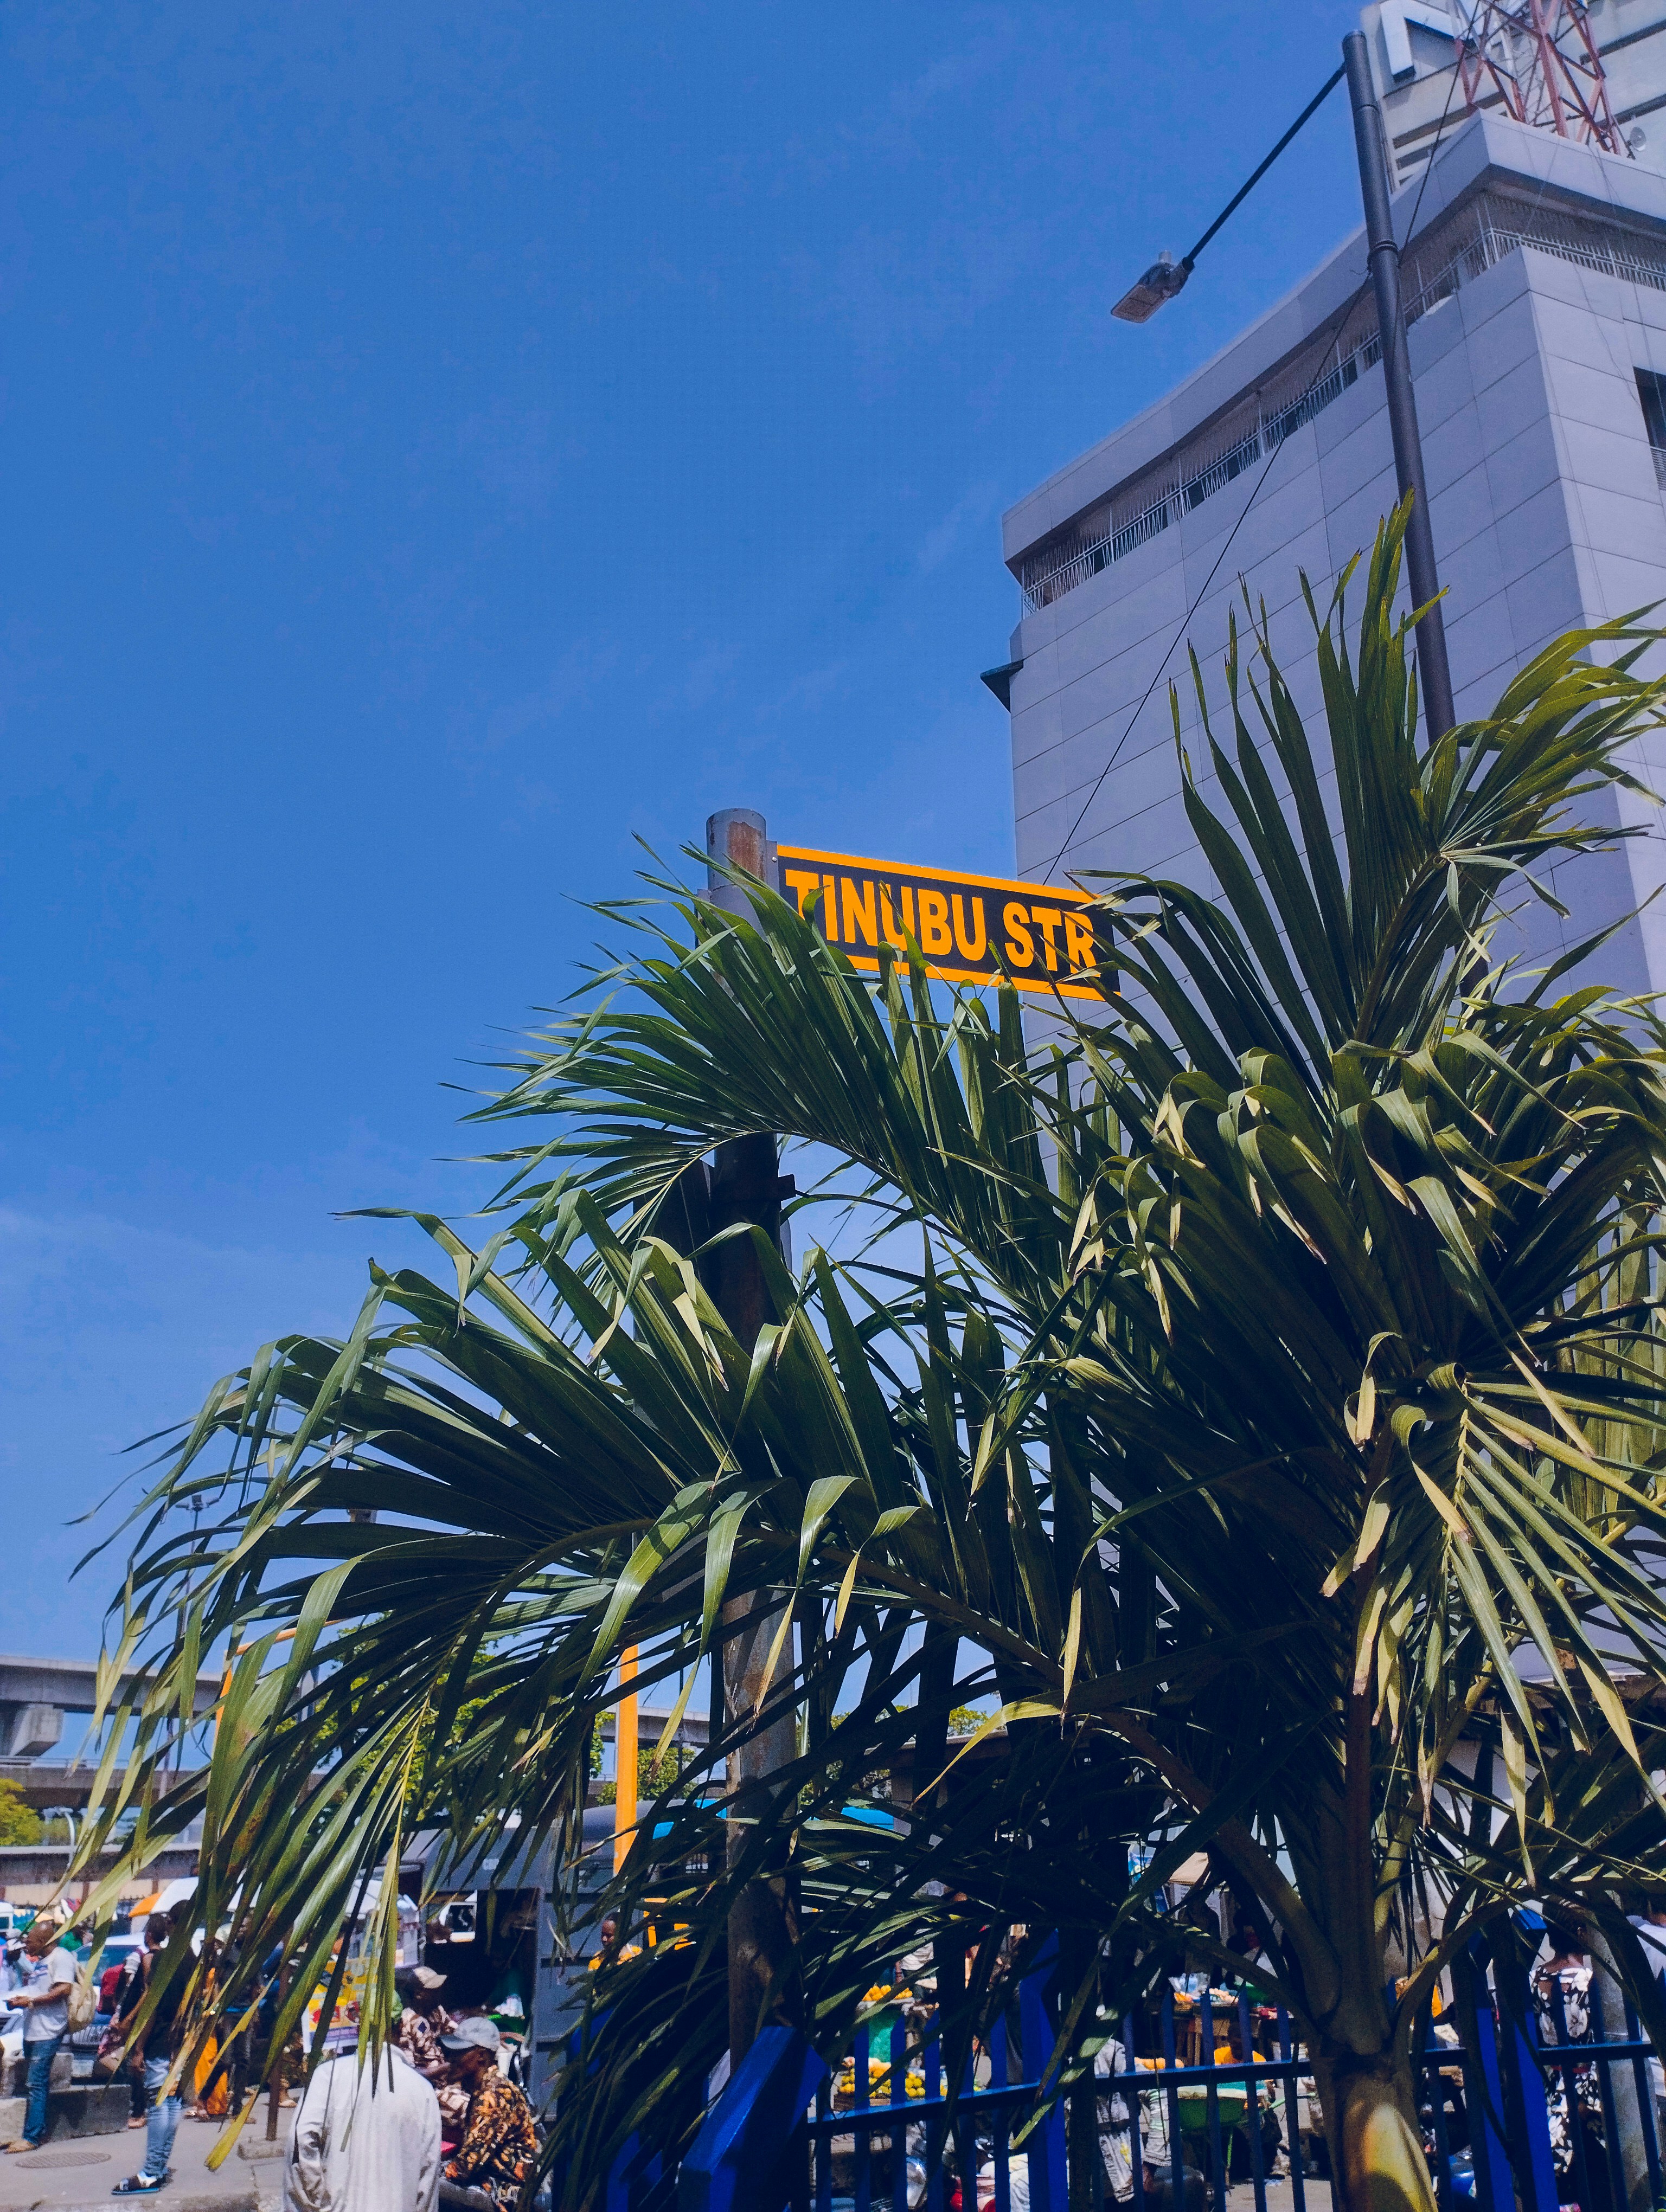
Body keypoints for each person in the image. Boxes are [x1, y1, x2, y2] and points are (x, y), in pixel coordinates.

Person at [282, 2042, 440, 2212]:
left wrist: (317, 2200)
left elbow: (301, 2140)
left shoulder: (329, 2074)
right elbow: (429, 2168)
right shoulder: (422, 2089)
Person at [111, 1913, 188, 2195]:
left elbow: (152, 2005)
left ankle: (152, 2173)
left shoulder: (164, 1960)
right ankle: (159, 2167)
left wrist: (139, 2049)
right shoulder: (192, 1960)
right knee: (172, 2103)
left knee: (158, 2105)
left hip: (158, 2041)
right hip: (179, 2042)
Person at [436, 2017, 537, 2211]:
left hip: (506, 2192)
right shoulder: (487, 2088)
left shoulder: (492, 2097)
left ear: (481, 2055)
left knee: (421, 2183)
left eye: (459, 2053)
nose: (450, 2059)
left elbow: (464, 2168)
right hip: (495, 2179)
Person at [3, 1917, 79, 2153]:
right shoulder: (41, 1962)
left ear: (44, 1940)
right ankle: (38, 2129)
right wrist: (21, 2001)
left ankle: (32, 2137)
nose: (26, 1944)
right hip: (33, 2030)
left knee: (36, 2082)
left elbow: (63, 1989)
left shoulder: (62, 1957)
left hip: (49, 2031)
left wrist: (31, 2001)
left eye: (31, 1941)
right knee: (36, 2083)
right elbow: (37, 1990)